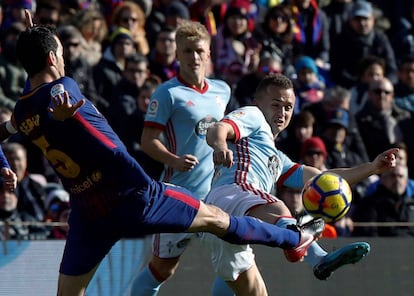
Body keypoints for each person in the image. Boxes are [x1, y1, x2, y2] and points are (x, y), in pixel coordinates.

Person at [8, 15, 325, 296]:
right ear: (53, 58)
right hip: (134, 195)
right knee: (217, 220)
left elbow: (28, 97)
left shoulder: (23, 111)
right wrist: (64, 108)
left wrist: (4, 166)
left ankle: (292, 237)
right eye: (60, 54)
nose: (65, 62)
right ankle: (292, 238)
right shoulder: (63, 88)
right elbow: (63, 91)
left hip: (88, 214)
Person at [201, 74, 397, 294]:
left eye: (288, 107)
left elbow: (326, 179)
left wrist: (372, 167)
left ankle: (302, 241)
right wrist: (219, 146)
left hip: (228, 222)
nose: (282, 113)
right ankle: (316, 256)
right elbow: (218, 128)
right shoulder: (253, 115)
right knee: (278, 208)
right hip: (232, 195)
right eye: (276, 105)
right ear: (258, 103)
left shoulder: (276, 158)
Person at [130, 20, 232, 296]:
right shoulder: (167, 94)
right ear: (177, 54)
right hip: (180, 195)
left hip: (216, 195)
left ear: (209, 53)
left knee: (235, 266)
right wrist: (173, 160)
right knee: (163, 270)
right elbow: (147, 141)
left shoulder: (223, 91)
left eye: (199, 51)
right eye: (187, 51)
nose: (194, 57)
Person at [352, 164, 414, 237]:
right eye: (393, 176)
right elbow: (368, 234)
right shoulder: (369, 204)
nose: (397, 179)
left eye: (401, 176)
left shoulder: (411, 203)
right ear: (383, 179)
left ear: (406, 181)